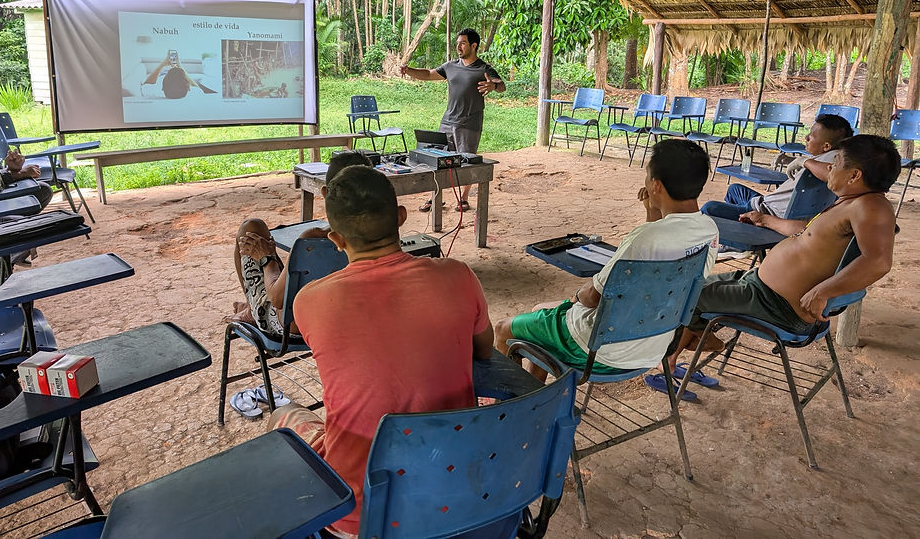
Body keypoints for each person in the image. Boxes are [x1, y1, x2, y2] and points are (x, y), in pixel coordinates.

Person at [268, 165, 493, 538]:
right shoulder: (459, 275)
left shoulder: (310, 301)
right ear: (401, 218)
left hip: (360, 516)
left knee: (283, 414)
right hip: (455, 495)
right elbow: (484, 351)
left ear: (336, 240)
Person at [494, 139, 719, 386]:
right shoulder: (709, 231)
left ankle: (512, 407)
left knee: (504, 329)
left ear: (656, 185)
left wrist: (575, 298)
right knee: (540, 312)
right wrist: (652, 213)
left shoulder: (643, 239)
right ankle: (536, 397)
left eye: (647, 176)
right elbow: (660, 245)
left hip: (599, 351)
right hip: (654, 346)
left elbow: (593, 297)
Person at [668, 134, 899, 370]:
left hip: (775, 305)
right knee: (689, 288)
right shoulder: (849, 203)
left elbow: (878, 261)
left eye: (837, 162)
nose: (829, 167)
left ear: (854, 175)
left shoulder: (871, 206)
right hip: (759, 289)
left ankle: (673, 360)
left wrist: (823, 292)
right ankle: (681, 352)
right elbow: (806, 231)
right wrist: (765, 219)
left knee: (684, 298)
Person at [228, 151, 372, 335]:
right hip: (349, 318)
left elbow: (278, 298)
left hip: (294, 326)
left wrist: (266, 258)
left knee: (250, 229)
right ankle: (250, 307)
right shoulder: (381, 237)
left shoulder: (312, 239)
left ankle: (252, 309)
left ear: (326, 193)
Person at [401, 28, 505, 211]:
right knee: (438, 160)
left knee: (467, 161)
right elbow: (428, 74)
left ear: (474, 46)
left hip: (469, 124)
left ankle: (463, 199)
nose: (458, 46)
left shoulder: (484, 68)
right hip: (448, 121)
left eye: (463, 43)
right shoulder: (450, 66)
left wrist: (493, 85)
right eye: (457, 43)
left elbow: (501, 85)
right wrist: (409, 70)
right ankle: (435, 197)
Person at [702, 114, 854, 220]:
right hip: (764, 203)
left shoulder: (832, 161)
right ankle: (738, 246)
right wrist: (795, 160)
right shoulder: (834, 157)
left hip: (766, 212)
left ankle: (736, 243)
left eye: (811, 136)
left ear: (826, 146)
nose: (806, 138)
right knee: (735, 189)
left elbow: (835, 174)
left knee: (709, 208)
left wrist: (804, 161)